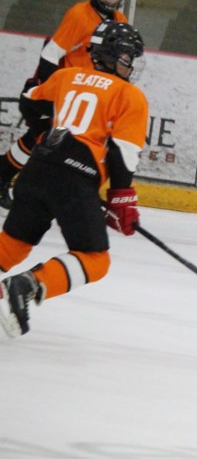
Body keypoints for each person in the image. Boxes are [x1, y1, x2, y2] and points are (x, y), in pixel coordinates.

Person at [0, 21, 148, 338]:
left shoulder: (66, 76)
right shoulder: (129, 94)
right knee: (95, 260)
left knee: (13, 245)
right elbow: (123, 154)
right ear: (112, 55)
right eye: (127, 57)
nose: (131, 64)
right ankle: (29, 284)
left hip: (38, 167)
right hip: (76, 176)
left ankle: (13, 285)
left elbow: (29, 101)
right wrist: (122, 197)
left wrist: (44, 126)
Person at [0, 0, 130, 212]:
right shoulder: (79, 15)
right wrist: (47, 93)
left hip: (88, 91)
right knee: (44, 136)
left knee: (58, 140)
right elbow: (51, 53)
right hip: (63, 87)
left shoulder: (120, 19)